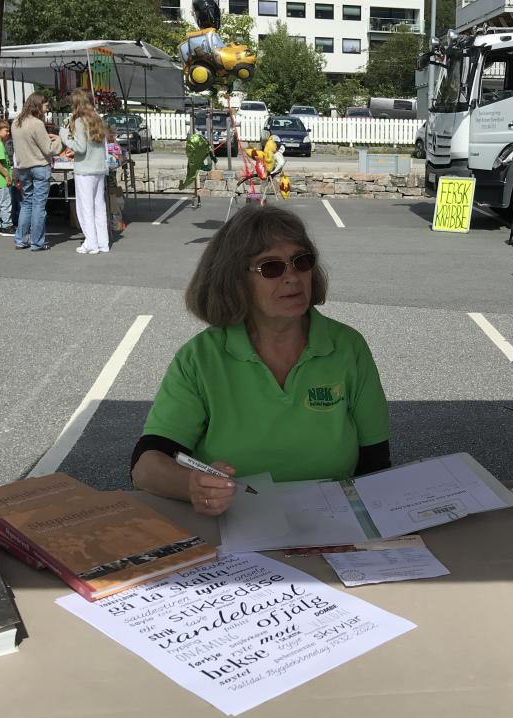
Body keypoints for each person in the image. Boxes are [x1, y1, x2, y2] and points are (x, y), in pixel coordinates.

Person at [130, 207, 392, 516]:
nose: (293, 277)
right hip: (231, 524)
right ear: (235, 280)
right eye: (271, 268)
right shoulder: (200, 358)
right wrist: (192, 485)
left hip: (333, 524)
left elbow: (376, 462)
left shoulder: (348, 347)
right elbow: (146, 465)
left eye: (301, 261)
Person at [59, 89, 110, 254]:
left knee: (85, 208)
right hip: (99, 168)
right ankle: (103, 243)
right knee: (99, 207)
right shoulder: (97, 119)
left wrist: (64, 135)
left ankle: (91, 243)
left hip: (85, 169)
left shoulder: (80, 122)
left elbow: (80, 148)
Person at [11, 92, 56, 251]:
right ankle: (37, 242)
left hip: (23, 167)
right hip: (39, 166)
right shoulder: (37, 123)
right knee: (38, 205)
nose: (47, 108)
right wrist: (59, 140)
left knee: (26, 203)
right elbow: (48, 149)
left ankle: (20, 239)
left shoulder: (16, 122)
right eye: (45, 105)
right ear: (38, 105)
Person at [0, 119, 14, 235]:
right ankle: (7, 225)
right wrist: (6, 175)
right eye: (6, 130)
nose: (8, 133)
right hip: (1, 180)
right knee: (5, 203)